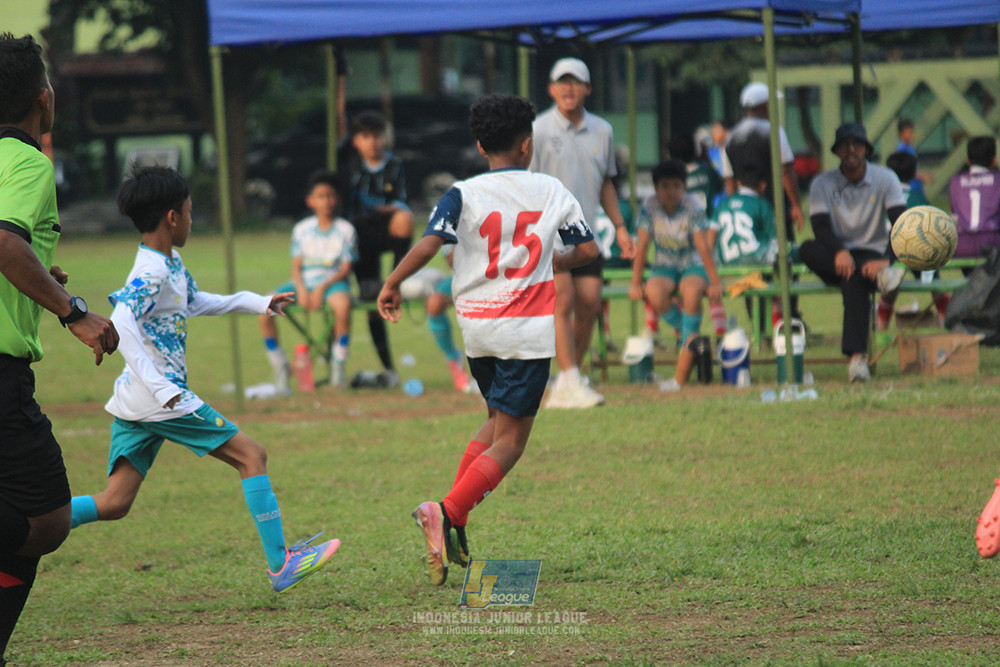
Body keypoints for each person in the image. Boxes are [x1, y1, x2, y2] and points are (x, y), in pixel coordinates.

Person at [69, 166, 339, 593]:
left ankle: (33, 523)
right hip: (162, 399)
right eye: (191, 212)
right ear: (173, 217)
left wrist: (259, 302)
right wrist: (162, 388)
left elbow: (195, 301)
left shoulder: (169, 263)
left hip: (138, 400)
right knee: (252, 456)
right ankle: (281, 563)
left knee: (115, 502)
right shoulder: (152, 271)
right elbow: (121, 319)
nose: (193, 221)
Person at [377, 94, 598, 585]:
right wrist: (551, 262)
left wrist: (391, 283)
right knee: (513, 442)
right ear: (528, 144)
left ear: (480, 146)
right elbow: (587, 249)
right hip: (524, 330)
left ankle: (454, 526)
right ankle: (446, 511)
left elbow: (432, 241)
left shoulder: (462, 192)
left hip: (477, 330)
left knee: (497, 421)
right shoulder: (551, 189)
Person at [0, 33, 120, 666]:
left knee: (23, 535)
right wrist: (70, 310)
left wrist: (40, 273)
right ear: (43, 100)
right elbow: (3, 242)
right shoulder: (25, 161)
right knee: (45, 517)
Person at [529, 57, 635, 409]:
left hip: (585, 233)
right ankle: (571, 376)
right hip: (548, 233)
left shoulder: (602, 130)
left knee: (590, 302)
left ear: (587, 89)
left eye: (576, 82)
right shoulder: (539, 129)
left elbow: (606, 182)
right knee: (564, 301)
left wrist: (620, 226)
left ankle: (568, 377)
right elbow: (526, 183)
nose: (568, 88)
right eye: (562, 82)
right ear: (551, 89)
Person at [797, 123, 907, 382]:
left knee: (853, 280)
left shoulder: (885, 178)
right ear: (837, 151)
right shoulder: (822, 183)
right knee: (806, 249)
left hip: (871, 255)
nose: (851, 150)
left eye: (856, 144)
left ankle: (857, 358)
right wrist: (839, 251)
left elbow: (901, 223)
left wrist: (887, 259)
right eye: (844, 145)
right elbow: (820, 226)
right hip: (837, 255)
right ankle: (857, 360)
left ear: (866, 149)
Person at [259, 170, 356, 391]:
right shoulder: (302, 229)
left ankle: (339, 362)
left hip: (333, 283)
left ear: (337, 199)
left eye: (331, 196)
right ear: (310, 201)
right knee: (264, 307)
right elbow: (296, 266)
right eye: (321, 196)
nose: (327, 201)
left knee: (343, 306)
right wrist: (301, 289)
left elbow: (345, 269)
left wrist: (322, 288)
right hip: (303, 282)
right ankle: (281, 366)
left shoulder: (345, 230)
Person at [629, 159, 719, 392]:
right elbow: (642, 245)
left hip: (693, 264)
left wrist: (715, 281)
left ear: (684, 187)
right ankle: (693, 339)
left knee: (691, 292)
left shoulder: (693, 207)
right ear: (656, 189)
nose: (671, 192)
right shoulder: (649, 207)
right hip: (664, 265)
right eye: (665, 186)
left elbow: (703, 246)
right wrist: (636, 282)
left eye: (676, 186)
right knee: (654, 292)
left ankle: (680, 376)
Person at [339, 110, 414, 387]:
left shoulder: (394, 164)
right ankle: (389, 368)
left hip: (386, 229)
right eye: (365, 136)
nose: (372, 142)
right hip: (359, 237)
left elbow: (400, 204)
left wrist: (379, 209)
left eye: (377, 136)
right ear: (355, 140)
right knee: (373, 301)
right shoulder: (348, 165)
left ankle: (397, 276)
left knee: (404, 219)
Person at [722, 82, 804, 323]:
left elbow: (729, 180)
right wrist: (796, 205)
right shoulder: (773, 131)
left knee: (751, 267)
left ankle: (759, 322)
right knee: (785, 261)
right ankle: (788, 317)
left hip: (745, 207)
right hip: (774, 205)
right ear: (763, 105)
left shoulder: (732, 137)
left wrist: (734, 206)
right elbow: (786, 172)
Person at [876, 151, 949, 329]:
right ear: (913, 173)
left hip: (885, 253)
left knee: (890, 288)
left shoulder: (880, 196)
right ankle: (947, 322)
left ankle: (881, 326)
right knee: (934, 282)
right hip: (913, 251)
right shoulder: (917, 197)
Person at [706, 162, 782, 330]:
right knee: (780, 274)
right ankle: (778, 328)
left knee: (714, 289)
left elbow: (709, 239)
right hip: (757, 265)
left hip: (726, 267)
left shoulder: (722, 205)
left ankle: (721, 330)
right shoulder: (763, 205)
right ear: (762, 185)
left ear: (738, 183)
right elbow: (775, 240)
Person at [426, 245, 474, 393]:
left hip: (495, 271)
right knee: (434, 304)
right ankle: (454, 359)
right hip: (463, 277)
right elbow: (446, 249)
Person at [949, 135, 1000, 263]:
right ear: (994, 160)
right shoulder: (997, 180)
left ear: (968, 160)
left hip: (961, 246)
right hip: (991, 242)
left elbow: (953, 216)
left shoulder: (955, 182)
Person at [896, 118, 933, 198]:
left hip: (917, 186)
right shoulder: (902, 150)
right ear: (902, 133)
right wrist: (924, 177)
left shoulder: (909, 147)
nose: (912, 134)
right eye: (910, 132)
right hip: (910, 188)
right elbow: (907, 170)